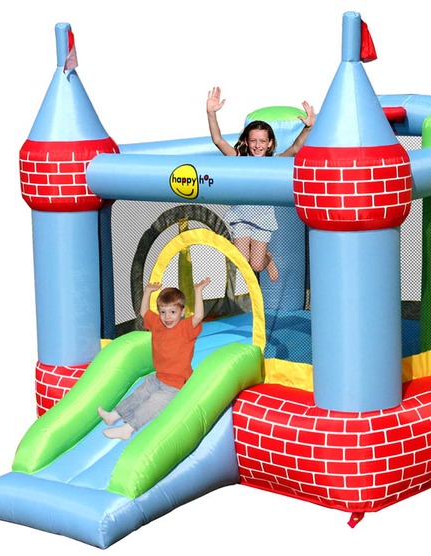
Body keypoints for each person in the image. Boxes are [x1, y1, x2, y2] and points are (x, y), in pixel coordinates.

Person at [206, 86, 316, 282]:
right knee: (241, 261)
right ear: (247, 142)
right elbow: (218, 140)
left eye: (262, 141)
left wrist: (308, 128)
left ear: (270, 143)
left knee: (257, 265)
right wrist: (211, 114)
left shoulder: (274, 162)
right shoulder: (239, 159)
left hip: (262, 220)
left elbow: (295, 148)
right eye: (253, 141)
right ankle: (258, 259)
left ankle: (268, 258)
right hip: (241, 217)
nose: (258, 145)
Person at [98, 278, 211, 440]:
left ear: (182, 312)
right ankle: (113, 416)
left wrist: (198, 292)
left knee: (153, 403)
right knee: (139, 394)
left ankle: (127, 429)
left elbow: (198, 316)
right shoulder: (158, 323)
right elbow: (144, 312)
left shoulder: (185, 328)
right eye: (163, 312)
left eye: (173, 312)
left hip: (176, 384)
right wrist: (147, 292)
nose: (167, 317)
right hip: (158, 377)